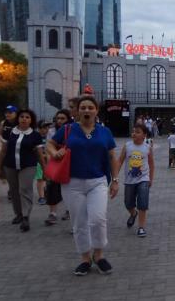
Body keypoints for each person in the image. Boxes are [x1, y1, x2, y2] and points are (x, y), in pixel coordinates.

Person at [46, 96, 119, 276]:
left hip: (98, 181)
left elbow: (112, 157)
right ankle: (85, 258)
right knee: (79, 222)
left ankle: (99, 255)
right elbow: (49, 144)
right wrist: (55, 153)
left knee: (98, 219)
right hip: (73, 183)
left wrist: (115, 180)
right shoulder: (67, 129)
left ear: (96, 111)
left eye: (90, 107)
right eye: (83, 108)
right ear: (77, 111)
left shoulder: (105, 132)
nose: (86, 110)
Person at [0, 109, 45, 232]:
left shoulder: (35, 135)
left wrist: (45, 169)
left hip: (28, 166)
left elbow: (39, 154)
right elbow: (3, 151)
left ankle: (25, 217)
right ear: (18, 118)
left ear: (31, 120)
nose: (24, 119)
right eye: (22, 116)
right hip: (10, 165)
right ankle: (18, 214)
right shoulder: (10, 133)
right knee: (14, 191)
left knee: (24, 189)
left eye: (27, 117)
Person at [118, 124, 154, 237]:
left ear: (144, 135)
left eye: (137, 132)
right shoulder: (127, 146)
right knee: (128, 203)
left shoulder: (147, 148)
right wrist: (114, 177)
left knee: (143, 203)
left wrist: (150, 179)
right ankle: (133, 213)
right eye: (133, 131)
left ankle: (141, 227)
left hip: (143, 178)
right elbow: (119, 161)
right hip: (129, 180)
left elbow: (151, 164)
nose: (134, 134)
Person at [44, 109, 71, 226]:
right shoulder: (51, 131)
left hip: (68, 163)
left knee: (69, 188)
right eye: (58, 118)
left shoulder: (71, 130)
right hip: (55, 162)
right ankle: (53, 213)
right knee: (51, 188)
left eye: (63, 118)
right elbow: (48, 146)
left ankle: (70, 210)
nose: (60, 121)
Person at [35, 120, 51, 205]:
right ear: (39, 128)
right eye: (44, 127)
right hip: (39, 161)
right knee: (40, 179)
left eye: (48, 127)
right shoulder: (36, 137)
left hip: (49, 160)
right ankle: (41, 197)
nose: (47, 129)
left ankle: (47, 194)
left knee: (48, 179)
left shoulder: (50, 137)